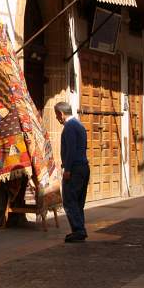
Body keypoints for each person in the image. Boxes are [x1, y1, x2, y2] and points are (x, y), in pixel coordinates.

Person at [55, 101, 90, 243]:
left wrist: (67, 169)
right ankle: (80, 229)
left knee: (69, 200)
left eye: (57, 115)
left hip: (74, 168)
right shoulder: (79, 125)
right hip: (83, 167)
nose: (57, 118)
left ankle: (78, 230)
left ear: (61, 114)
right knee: (78, 201)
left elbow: (71, 150)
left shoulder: (69, 127)